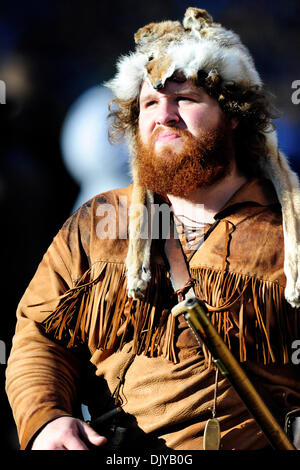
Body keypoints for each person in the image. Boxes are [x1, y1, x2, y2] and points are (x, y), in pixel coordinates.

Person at [5, 7, 300, 451]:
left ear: (234, 116)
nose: (164, 114)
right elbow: (41, 336)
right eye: (148, 103)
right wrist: (48, 420)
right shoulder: (98, 221)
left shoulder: (288, 235)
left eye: (185, 98)